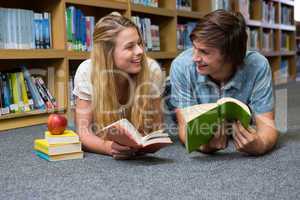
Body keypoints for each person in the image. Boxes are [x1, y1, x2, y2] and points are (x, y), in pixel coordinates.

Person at [169, 10, 278, 155]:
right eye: (194, 47)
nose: (195, 57)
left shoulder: (258, 65)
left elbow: (267, 125)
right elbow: (184, 128)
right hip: (185, 102)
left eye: (204, 52)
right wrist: (204, 146)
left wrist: (260, 144)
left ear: (230, 55)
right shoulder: (182, 66)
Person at [73, 13, 164, 159]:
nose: (140, 51)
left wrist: (147, 142)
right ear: (107, 53)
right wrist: (108, 147)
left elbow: (156, 128)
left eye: (139, 43)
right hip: (102, 139)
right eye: (130, 47)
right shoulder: (87, 72)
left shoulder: (152, 70)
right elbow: (84, 133)